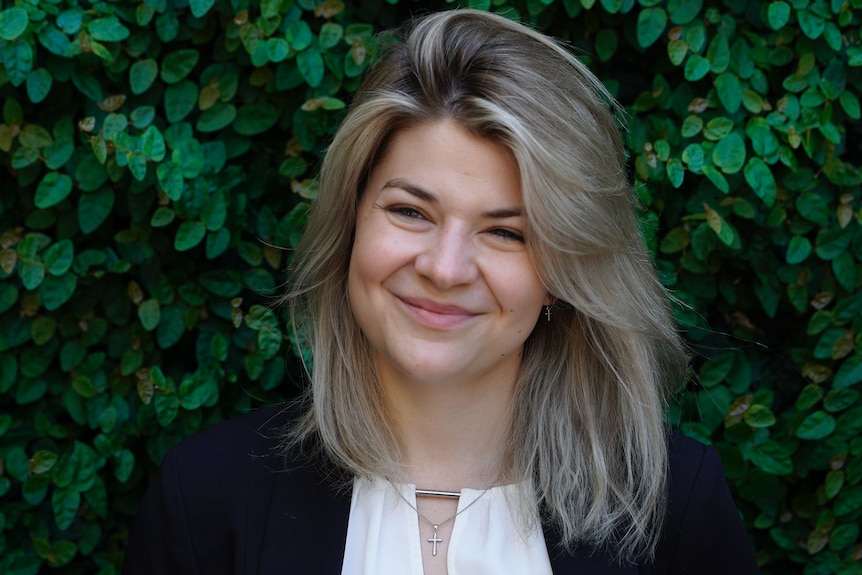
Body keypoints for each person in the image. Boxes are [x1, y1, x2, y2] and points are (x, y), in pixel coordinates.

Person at [122, 9, 759, 575]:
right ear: (350, 224)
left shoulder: (675, 507)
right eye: (411, 212)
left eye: (507, 232)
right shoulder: (204, 498)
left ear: (565, 274)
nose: (446, 268)